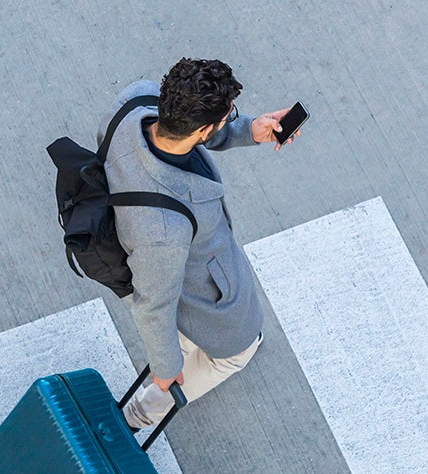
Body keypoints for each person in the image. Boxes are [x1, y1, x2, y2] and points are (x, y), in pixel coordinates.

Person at [98, 58, 300, 429]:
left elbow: (188, 134)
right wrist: (165, 368)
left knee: (182, 337)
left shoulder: (135, 100)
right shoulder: (162, 230)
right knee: (234, 352)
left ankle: (183, 347)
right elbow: (154, 303)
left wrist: (247, 130)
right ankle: (137, 416)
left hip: (151, 247)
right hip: (183, 274)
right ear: (205, 128)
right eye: (228, 117)